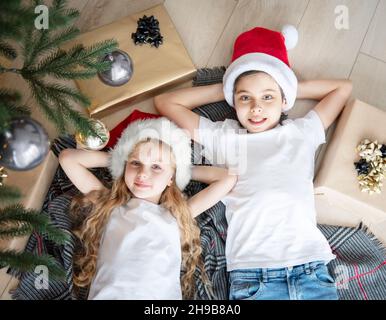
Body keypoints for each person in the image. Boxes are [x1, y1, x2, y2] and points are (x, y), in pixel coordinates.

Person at [154, 26, 353, 300]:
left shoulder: (299, 132)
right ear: (233, 101)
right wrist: (227, 88)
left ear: (284, 99)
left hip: (311, 267)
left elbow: (343, 88)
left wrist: (286, 87)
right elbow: (166, 102)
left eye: (268, 97)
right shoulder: (224, 137)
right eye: (244, 98)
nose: (256, 107)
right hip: (254, 276)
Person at [58, 117, 237, 300]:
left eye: (156, 167)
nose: (143, 174)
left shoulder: (176, 215)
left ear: (171, 178)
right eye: (136, 163)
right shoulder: (110, 206)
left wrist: (180, 171)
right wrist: (118, 159)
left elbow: (228, 177)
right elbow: (68, 158)